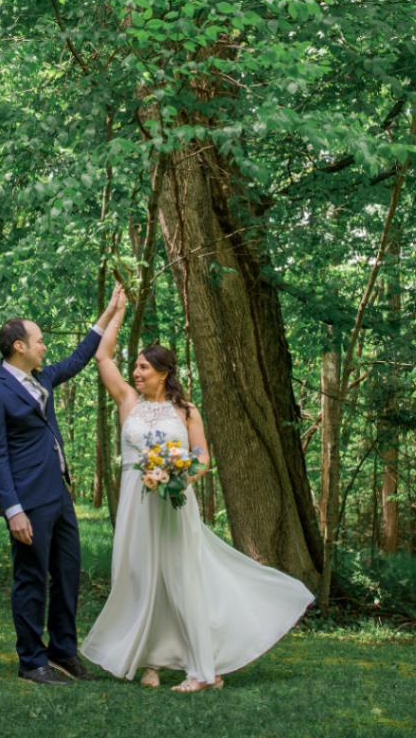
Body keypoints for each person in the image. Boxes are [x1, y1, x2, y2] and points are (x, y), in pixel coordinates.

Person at [79, 285, 314, 692]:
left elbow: (202, 457)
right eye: (135, 367)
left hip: (173, 501)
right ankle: (151, 661)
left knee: (179, 578)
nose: (136, 373)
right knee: (138, 576)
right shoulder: (128, 401)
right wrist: (116, 312)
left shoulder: (186, 411)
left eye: (144, 368)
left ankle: (204, 670)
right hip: (136, 501)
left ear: (163, 372)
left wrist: (180, 476)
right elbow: (102, 356)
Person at [0, 293, 124, 685]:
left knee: (68, 573)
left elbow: (78, 358)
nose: (44, 346)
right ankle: (31, 661)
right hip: (27, 500)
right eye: (39, 340)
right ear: (19, 346)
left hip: (59, 494)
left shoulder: (42, 378)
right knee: (31, 579)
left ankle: (62, 651)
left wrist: (109, 313)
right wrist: (13, 510)